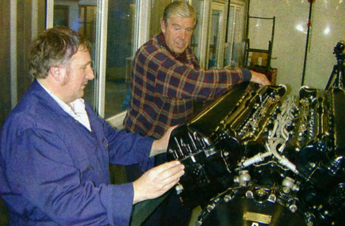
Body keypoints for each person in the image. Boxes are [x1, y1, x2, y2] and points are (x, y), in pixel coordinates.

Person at [0, 26, 185, 226]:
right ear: (56, 72)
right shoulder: (31, 128)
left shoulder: (76, 105)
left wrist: (158, 144)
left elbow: (110, 142)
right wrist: (136, 191)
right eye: (84, 67)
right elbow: (66, 204)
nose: (91, 75)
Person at [123, 1, 270, 225]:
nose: (183, 36)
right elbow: (196, 83)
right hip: (147, 147)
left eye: (189, 29)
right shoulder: (153, 56)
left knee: (178, 210)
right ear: (163, 26)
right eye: (176, 27)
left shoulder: (185, 53)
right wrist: (244, 74)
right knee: (150, 217)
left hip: (174, 145)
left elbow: (202, 95)